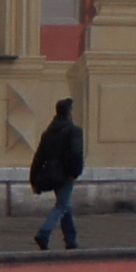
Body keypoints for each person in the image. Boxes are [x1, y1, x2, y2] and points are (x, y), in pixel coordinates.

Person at [30, 97, 87, 250]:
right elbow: (76, 153)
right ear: (69, 112)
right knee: (62, 205)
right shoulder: (74, 131)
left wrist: (34, 180)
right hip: (66, 173)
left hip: (51, 173)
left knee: (65, 205)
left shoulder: (48, 133)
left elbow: (39, 157)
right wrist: (75, 172)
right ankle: (44, 232)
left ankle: (71, 240)